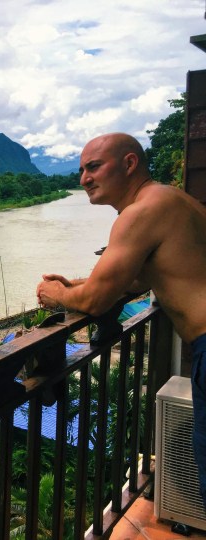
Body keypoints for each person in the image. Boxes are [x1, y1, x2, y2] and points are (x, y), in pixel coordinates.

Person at [36, 132, 206, 510]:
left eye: (94, 167)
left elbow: (97, 301)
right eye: (81, 169)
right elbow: (139, 277)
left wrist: (56, 295)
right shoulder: (172, 199)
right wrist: (78, 283)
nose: (83, 178)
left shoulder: (140, 212)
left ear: (129, 164)